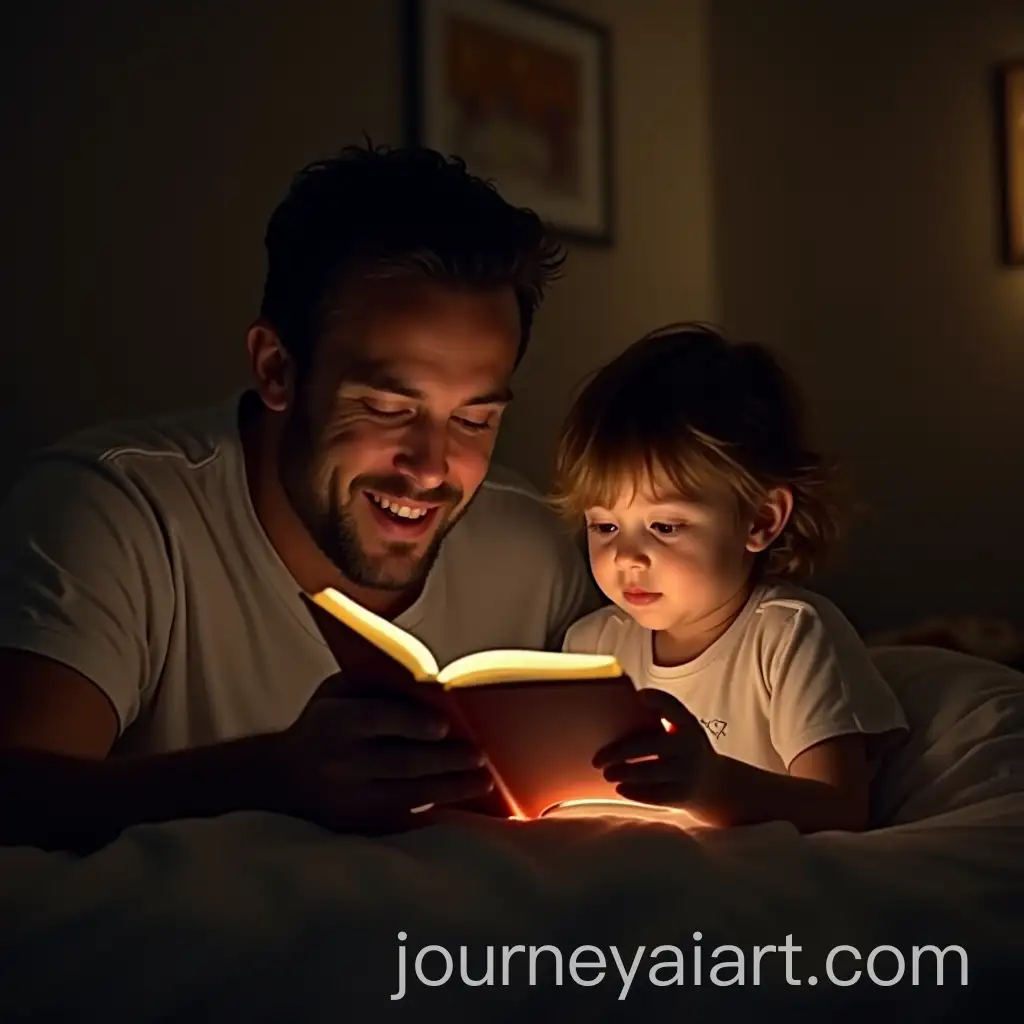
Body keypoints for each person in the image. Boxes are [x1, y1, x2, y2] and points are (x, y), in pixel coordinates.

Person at [0, 143, 601, 850]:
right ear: (277, 370)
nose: (432, 469)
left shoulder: (539, 546)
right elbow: (14, 791)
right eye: (386, 408)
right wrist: (271, 779)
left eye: (474, 419)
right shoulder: (118, 508)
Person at [551, 323, 908, 833]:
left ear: (760, 520)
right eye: (604, 525)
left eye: (664, 526)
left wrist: (709, 785)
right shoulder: (592, 644)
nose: (626, 556)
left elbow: (841, 811)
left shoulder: (789, 636)